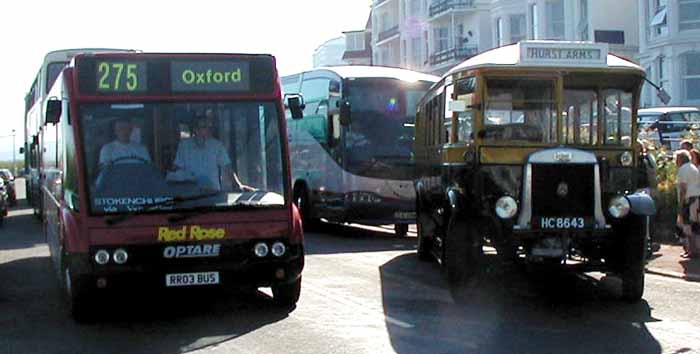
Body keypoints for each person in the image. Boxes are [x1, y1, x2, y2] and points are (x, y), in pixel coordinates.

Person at [171, 112, 253, 192]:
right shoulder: (184, 146)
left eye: (209, 127)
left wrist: (238, 185)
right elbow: (177, 167)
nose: (208, 130)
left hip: (212, 195)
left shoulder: (217, 146)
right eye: (204, 127)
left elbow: (227, 168)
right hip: (190, 196)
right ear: (195, 129)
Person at [675, 150, 700, 258]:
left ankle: (692, 250)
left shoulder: (683, 170)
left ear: (680, 159)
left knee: (687, 225)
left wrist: (680, 204)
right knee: (694, 224)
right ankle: (694, 249)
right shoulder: (693, 167)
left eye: (677, 159)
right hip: (696, 197)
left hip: (688, 199)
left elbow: (683, 188)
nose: (676, 162)